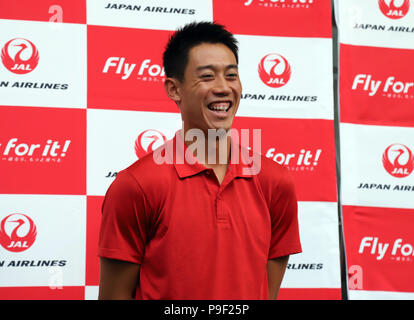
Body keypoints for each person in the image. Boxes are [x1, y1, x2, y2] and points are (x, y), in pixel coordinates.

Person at [98, 21, 302, 300]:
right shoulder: (136, 185)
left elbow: (265, 291)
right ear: (174, 89)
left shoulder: (275, 181)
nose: (223, 87)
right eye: (207, 76)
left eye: (231, 75)